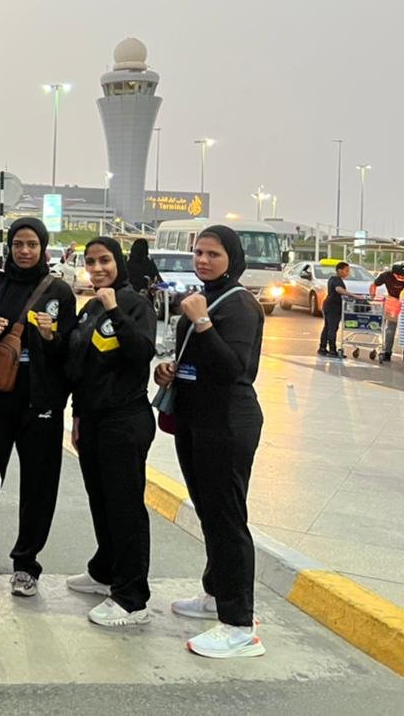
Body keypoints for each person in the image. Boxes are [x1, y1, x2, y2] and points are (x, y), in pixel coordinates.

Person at [153, 225, 266, 659]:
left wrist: (201, 322)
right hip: (196, 420)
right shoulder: (206, 296)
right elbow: (197, 359)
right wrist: (169, 370)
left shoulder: (240, 304)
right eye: (198, 252)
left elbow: (234, 368)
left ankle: (239, 626)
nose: (203, 260)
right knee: (209, 513)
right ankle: (216, 594)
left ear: (232, 258)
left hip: (227, 424)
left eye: (213, 254)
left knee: (227, 519)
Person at [0, 216, 78, 599]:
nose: (25, 251)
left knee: (38, 486)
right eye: (18, 244)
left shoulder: (60, 292)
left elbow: (70, 351)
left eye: (32, 244)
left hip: (41, 404)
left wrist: (50, 337)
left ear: (43, 248)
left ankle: (26, 565)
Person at [65, 237, 157, 627]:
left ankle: (132, 598)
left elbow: (141, 353)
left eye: (105, 260)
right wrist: (77, 416)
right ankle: (105, 570)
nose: (97, 268)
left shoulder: (136, 305)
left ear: (119, 262)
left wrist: (115, 310)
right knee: (101, 501)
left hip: (125, 420)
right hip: (93, 420)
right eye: (91, 262)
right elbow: (80, 367)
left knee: (125, 507)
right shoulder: (89, 308)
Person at [318, 261, 356, 358]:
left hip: (328, 305)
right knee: (332, 328)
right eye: (346, 270)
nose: (348, 273)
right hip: (333, 306)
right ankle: (332, 350)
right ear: (339, 270)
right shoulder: (337, 280)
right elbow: (338, 289)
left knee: (327, 327)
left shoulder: (332, 278)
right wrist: (352, 295)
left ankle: (322, 348)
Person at [369, 262, 404, 363]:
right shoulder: (386, 276)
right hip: (393, 303)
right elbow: (374, 285)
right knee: (390, 329)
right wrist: (372, 295)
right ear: (393, 273)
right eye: (399, 276)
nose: (401, 278)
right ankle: (387, 352)